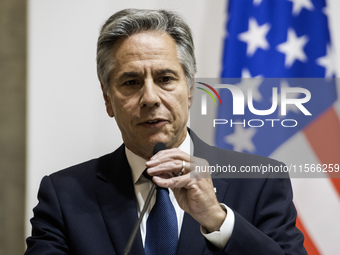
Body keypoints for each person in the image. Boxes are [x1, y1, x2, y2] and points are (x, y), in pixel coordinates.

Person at [25, 9, 307, 255]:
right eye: (131, 82)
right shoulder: (64, 194)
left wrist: (217, 220)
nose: (150, 97)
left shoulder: (261, 182)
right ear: (108, 99)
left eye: (165, 79)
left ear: (190, 91)